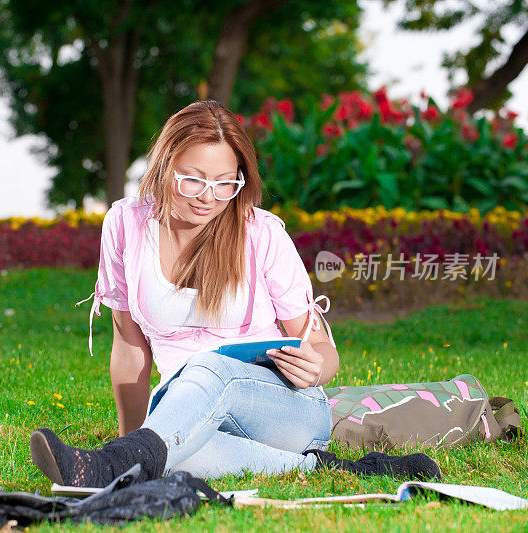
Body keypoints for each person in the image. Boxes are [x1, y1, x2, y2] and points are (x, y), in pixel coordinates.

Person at [29, 100, 441, 488]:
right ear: (163, 167)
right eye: (193, 180)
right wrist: (133, 436)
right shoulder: (125, 225)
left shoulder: (260, 234)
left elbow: (320, 346)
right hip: (188, 407)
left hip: (283, 406)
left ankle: (110, 465)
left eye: (226, 183)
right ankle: (325, 468)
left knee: (210, 367)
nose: (209, 197)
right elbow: (129, 345)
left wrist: (316, 370)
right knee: (177, 454)